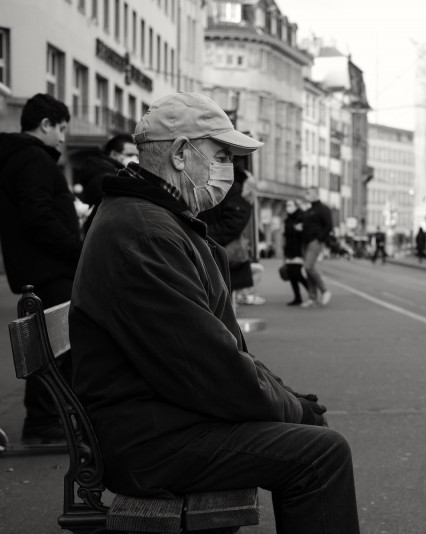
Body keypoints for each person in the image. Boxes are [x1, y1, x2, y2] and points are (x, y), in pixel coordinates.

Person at [69, 92, 359, 533]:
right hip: (150, 441)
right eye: (221, 155)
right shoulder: (146, 231)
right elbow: (208, 365)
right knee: (322, 456)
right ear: (182, 154)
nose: (229, 170)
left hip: (154, 420)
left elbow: (213, 353)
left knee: (312, 441)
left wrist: (285, 397)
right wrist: (293, 409)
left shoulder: (149, 219)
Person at [0, 93, 81, 444]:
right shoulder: (33, 159)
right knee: (52, 349)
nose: (62, 137)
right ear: (45, 124)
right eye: (60, 128)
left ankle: (51, 418)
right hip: (49, 270)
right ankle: (44, 423)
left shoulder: (23, 157)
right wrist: (79, 251)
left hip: (41, 269)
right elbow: (39, 218)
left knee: (52, 347)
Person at [198, 165, 263, 305]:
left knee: (219, 296)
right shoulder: (231, 190)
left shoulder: (234, 191)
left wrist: (203, 233)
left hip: (221, 248)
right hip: (217, 247)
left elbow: (233, 223)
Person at [77, 133, 139, 207]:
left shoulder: (99, 170)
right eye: (130, 155)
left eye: (137, 156)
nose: (135, 159)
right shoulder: (110, 178)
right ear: (114, 154)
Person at [300, 187, 333, 306]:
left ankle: (324, 290)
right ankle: (312, 297)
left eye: (308, 193)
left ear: (316, 194)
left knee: (309, 266)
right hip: (306, 241)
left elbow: (328, 225)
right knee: (308, 269)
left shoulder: (323, 209)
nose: (306, 195)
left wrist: (319, 238)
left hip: (315, 241)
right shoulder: (309, 209)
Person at [282, 199, 309, 306]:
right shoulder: (288, 219)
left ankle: (312, 292)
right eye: (287, 205)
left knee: (297, 274)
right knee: (292, 275)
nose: (288, 207)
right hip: (289, 249)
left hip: (298, 249)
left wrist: (301, 229)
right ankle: (297, 297)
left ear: (296, 206)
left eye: (290, 205)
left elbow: (306, 232)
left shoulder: (302, 217)